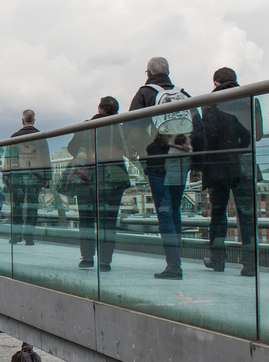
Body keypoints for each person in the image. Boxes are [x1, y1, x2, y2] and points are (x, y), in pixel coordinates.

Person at [128, 57, 196, 280]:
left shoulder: (145, 94)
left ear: (147, 73)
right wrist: (196, 160)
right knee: (175, 209)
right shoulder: (183, 93)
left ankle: (174, 264)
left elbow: (132, 127)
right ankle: (176, 259)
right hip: (182, 157)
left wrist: (140, 155)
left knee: (164, 211)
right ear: (168, 72)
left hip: (158, 159)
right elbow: (199, 126)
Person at [193, 67, 261, 277]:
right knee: (247, 215)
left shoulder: (209, 103)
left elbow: (207, 138)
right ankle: (250, 264)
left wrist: (199, 165)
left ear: (215, 83)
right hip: (244, 163)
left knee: (218, 214)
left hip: (219, 166)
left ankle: (217, 259)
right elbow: (257, 134)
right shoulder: (251, 99)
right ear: (235, 80)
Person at [67, 97, 130, 272]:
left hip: (88, 177)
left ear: (99, 109)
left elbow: (72, 149)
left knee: (86, 219)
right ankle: (105, 261)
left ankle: (87, 257)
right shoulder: (119, 128)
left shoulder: (86, 127)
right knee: (108, 221)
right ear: (116, 111)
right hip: (114, 178)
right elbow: (130, 150)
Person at [0, 110, 51, 245]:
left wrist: (6, 178)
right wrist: (47, 178)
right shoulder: (41, 136)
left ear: (22, 121)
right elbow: (46, 158)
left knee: (17, 205)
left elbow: (8, 160)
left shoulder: (14, 137)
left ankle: (16, 235)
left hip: (16, 177)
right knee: (32, 206)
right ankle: (29, 237)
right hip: (36, 177)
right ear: (34, 120)